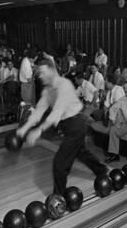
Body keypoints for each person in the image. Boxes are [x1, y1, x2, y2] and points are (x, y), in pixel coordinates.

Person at [16, 59, 107, 196]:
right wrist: (25, 127)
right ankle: (101, 170)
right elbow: (39, 110)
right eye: (38, 73)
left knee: (59, 163)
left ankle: (58, 198)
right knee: (80, 152)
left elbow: (57, 111)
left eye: (42, 73)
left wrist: (39, 130)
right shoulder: (47, 91)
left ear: (52, 71)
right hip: (67, 126)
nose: (39, 76)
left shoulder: (64, 85)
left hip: (76, 123)